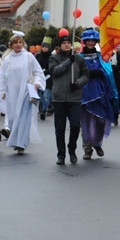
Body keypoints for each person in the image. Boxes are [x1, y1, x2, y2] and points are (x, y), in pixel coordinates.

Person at [0, 34, 45, 154]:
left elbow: (38, 72)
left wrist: (37, 83)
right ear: (11, 45)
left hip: (25, 92)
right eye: (16, 43)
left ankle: (22, 144)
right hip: (12, 93)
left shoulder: (29, 57)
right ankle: (15, 140)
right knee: (14, 117)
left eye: (20, 42)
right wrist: (0, 91)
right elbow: (2, 76)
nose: (18, 45)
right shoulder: (8, 59)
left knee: (23, 118)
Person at [48, 31, 89, 165]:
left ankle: (72, 150)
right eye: (64, 43)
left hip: (74, 98)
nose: (67, 45)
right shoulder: (54, 58)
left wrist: (77, 83)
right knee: (60, 128)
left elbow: (86, 75)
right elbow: (54, 71)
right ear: (60, 46)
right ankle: (61, 154)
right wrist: (67, 62)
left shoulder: (79, 59)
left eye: (68, 43)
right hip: (59, 98)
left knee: (75, 125)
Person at [79, 28, 118, 159]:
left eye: (92, 40)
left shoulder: (101, 57)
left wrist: (101, 73)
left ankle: (97, 142)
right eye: (88, 40)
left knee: (101, 120)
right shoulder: (79, 57)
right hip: (84, 93)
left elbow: (108, 72)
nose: (90, 42)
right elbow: (76, 73)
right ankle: (87, 149)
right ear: (84, 42)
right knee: (85, 122)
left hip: (100, 93)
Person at [35, 37, 54, 120]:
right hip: (39, 78)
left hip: (48, 78)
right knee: (40, 96)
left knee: (46, 96)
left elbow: (52, 68)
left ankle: (44, 109)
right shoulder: (38, 56)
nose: (45, 48)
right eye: (43, 47)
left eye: (46, 47)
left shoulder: (52, 57)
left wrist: (46, 71)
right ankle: (41, 110)